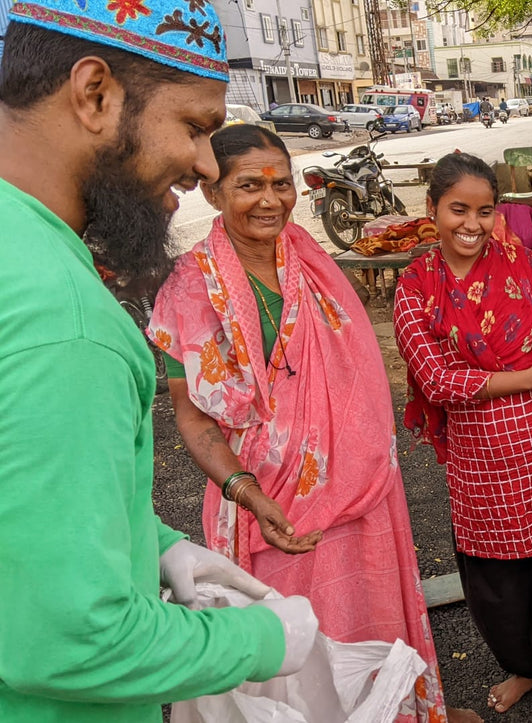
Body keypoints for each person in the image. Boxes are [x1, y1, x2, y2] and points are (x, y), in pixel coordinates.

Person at [0, 3, 319, 721]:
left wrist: (154, 544)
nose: (205, 164)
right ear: (95, 93)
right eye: (197, 126)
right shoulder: (66, 322)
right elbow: (70, 641)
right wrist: (269, 636)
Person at [147, 124, 475, 723]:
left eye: (282, 183)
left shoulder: (312, 261)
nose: (270, 199)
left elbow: (355, 375)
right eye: (249, 185)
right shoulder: (189, 288)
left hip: (358, 492)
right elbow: (194, 423)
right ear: (213, 193)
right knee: (284, 648)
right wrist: (245, 494)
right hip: (265, 507)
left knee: (364, 616)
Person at [393, 153, 532, 714]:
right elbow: (437, 382)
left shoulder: (525, 263)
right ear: (432, 209)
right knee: (497, 582)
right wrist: (530, 376)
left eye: (485, 211)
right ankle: (528, 669)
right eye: (458, 209)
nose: (472, 224)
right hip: (477, 455)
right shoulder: (415, 286)